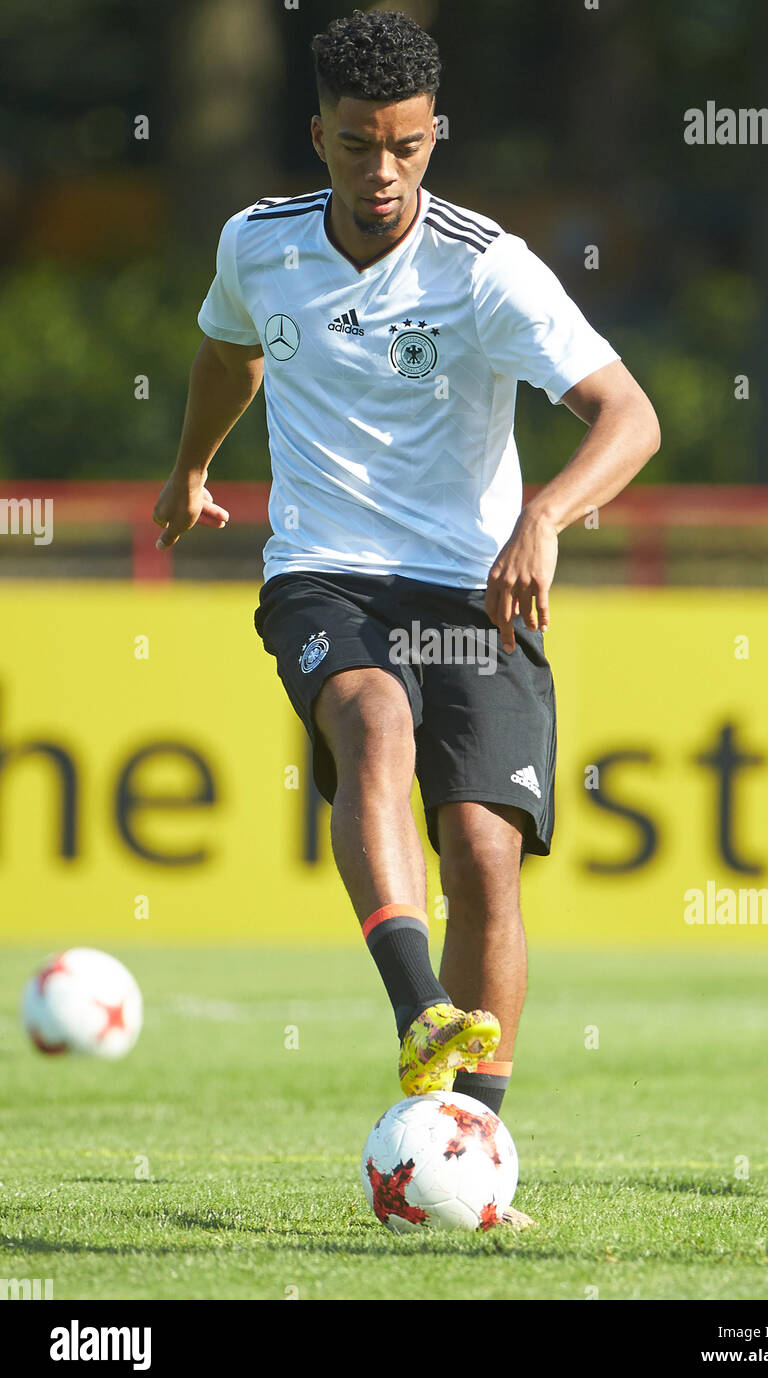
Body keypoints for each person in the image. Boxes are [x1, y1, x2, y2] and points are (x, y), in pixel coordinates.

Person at [152, 8, 660, 1226]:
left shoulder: (487, 267)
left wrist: (545, 516)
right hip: (325, 570)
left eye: (406, 147)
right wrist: (190, 469)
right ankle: (416, 1001)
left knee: (486, 855)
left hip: (474, 581)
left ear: (436, 134)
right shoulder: (256, 245)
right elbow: (230, 354)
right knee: (369, 717)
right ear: (315, 131)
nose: (381, 175)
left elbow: (629, 416)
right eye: (355, 146)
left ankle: (473, 1142)